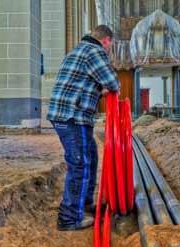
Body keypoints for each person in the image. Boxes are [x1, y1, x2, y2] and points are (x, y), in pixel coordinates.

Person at [47, 25, 120, 231]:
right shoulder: (94, 51)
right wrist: (105, 88)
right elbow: (113, 82)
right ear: (106, 40)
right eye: (110, 46)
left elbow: (86, 82)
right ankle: (69, 219)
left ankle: (84, 203)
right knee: (80, 164)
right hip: (73, 116)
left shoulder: (79, 50)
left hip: (71, 114)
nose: (108, 49)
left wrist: (99, 88)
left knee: (90, 156)